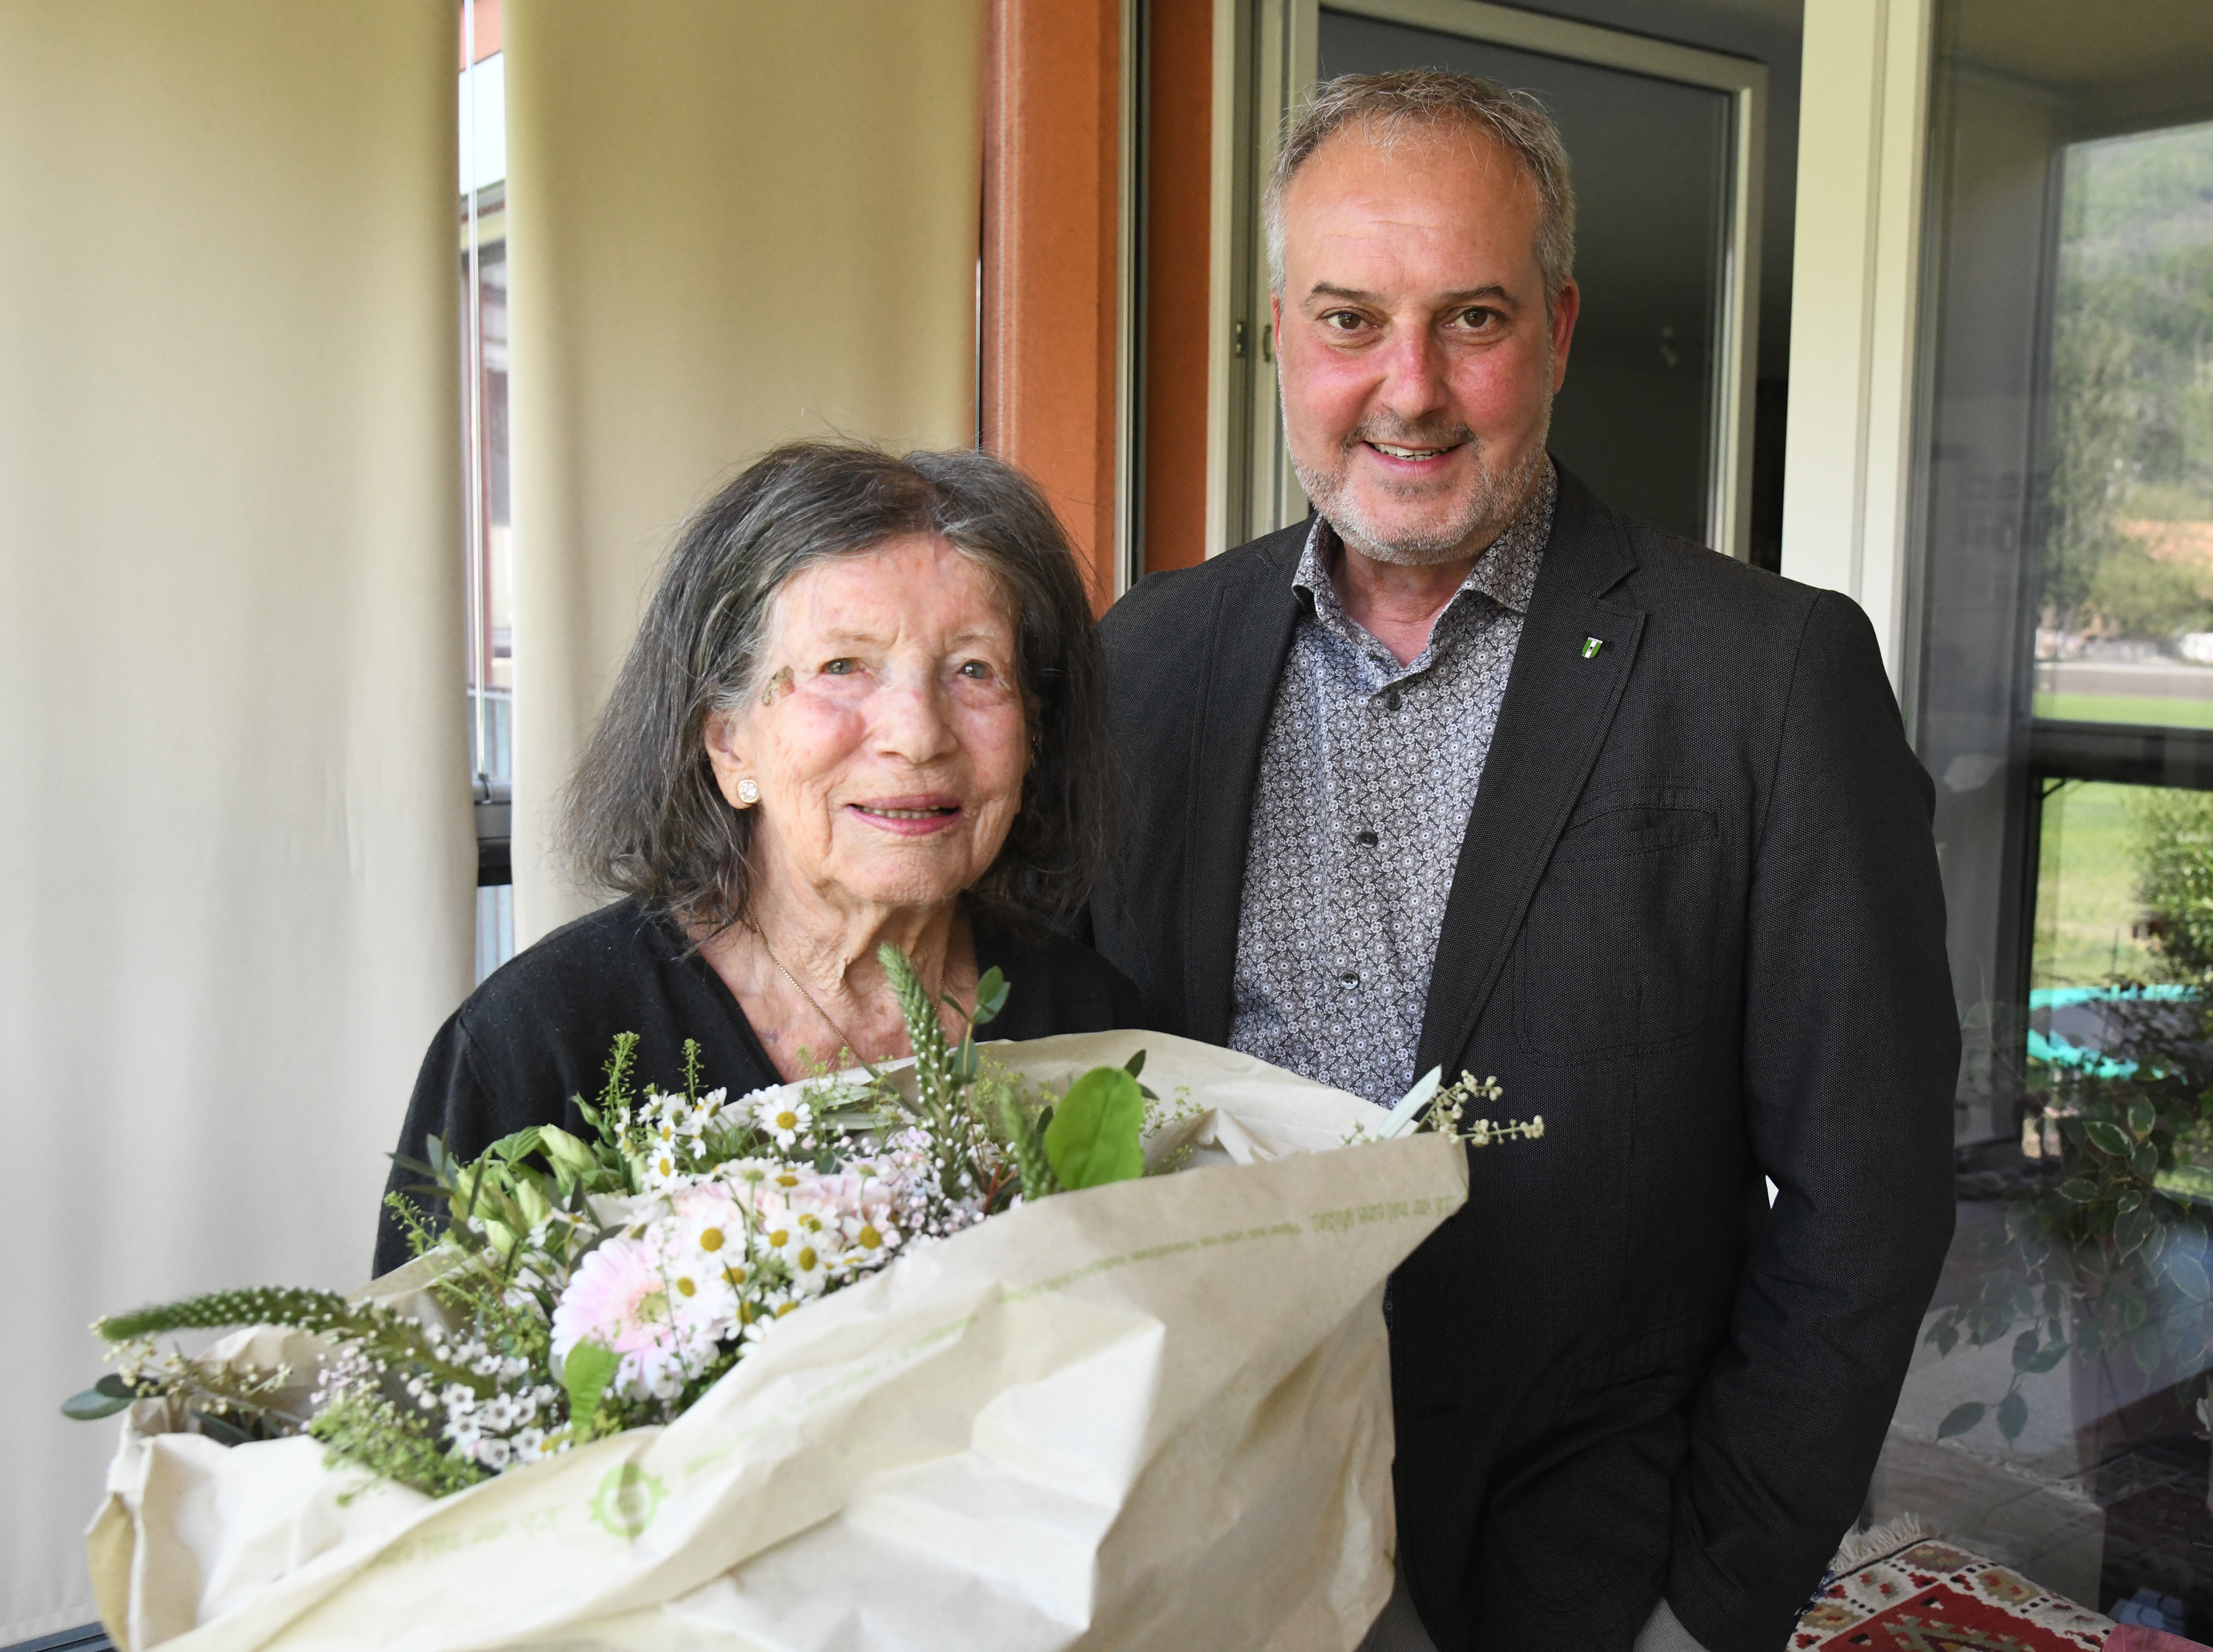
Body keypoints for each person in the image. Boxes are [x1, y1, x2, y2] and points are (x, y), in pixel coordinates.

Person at [1089, 71, 1957, 1652]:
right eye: (1350, 319)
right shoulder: (1146, 658)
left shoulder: (1769, 675)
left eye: (1471, 320)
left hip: (1583, 1570)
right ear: (1278, 330)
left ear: (1557, 331)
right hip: (1200, 1536)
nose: (1408, 389)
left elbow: (1871, 1196)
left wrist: (1713, 1603)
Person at [376, 441, 1137, 1275]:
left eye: (973, 670)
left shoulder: (1097, 1022)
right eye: (843, 666)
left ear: (1033, 734)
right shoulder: (538, 1047)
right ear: (729, 740)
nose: (919, 733)